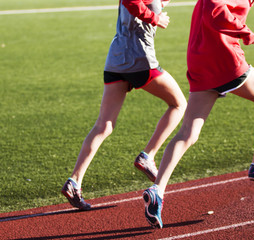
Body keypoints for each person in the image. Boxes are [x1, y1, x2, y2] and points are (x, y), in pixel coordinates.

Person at [142, 0, 254, 229]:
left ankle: (158, 190)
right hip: (225, 60)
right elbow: (214, 11)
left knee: (188, 133)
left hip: (200, 62)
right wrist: (244, 31)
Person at [61, 0, 187, 210]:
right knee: (179, 104)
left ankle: (74, 182)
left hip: (116, 60)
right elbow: (132, 2)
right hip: (139, 60)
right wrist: (156, 18)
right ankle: (148, 156)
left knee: (104, 125)